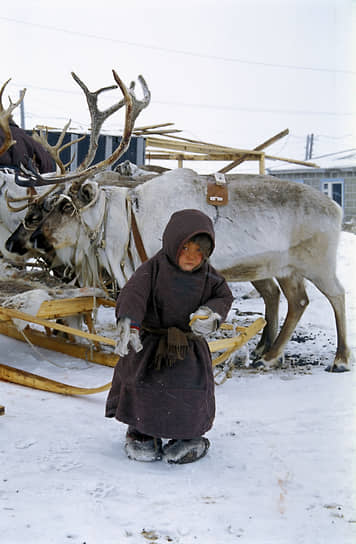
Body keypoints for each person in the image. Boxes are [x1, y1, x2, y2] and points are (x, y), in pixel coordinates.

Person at [105, 208, 234, 464]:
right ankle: (141, 433)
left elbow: (223, 297)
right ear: (173, 242)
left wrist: (211, 314)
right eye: (186, 248)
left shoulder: (209, 276)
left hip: (188, 347)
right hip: (150, 346)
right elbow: (133, 294)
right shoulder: (153, 268)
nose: (192, 257)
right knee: (144, 388)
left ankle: (189, 437)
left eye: (200, 251)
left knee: (189, 393)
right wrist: (129, 324)